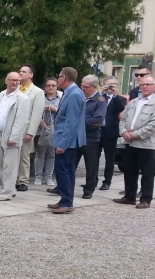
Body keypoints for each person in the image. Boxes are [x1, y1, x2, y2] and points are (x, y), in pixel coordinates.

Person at [114, 75, 155, 209]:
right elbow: (123, 118)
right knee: (129, 170)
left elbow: (154, 125)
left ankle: (146, 199)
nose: (144, 87)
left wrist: (134, 134)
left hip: (145, 143)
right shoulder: (133, 102)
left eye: (148, 84)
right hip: (129, 142)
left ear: (154, 87)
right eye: (142, 85)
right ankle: (129, 196)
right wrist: (123, 132)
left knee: (147, 173)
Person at [48, 67, 86, 214]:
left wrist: (63, 144)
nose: (58, 80)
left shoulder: (74, 94)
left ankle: (66, 202)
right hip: (67, 139)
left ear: (64, 78)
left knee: (63, 171)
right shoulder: (71, 92)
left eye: (59, 77)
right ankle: (65, 199)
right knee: (67, 170)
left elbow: (71, 122)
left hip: (68, 140)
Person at [0, 72, 31, 201]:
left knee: (10, 166)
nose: (14, 82)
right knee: (0, 164)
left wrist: (14, 137)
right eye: (12, 80)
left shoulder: (23, 99)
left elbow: (20, 121)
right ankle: (9, 189)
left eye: (17, 80)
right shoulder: (0, 95)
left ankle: (7, 193)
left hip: (11, 137)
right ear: (6, 81)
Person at [74, 75, 107, 198]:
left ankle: (89, 190)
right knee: (71, 163)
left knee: (91, 165)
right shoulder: (81, 97)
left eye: (86, 87)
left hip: (91, 138)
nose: (83, 89)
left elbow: (97, 120)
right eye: (81, 86)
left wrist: (79, 124)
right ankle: (63, 187)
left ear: (94, 87)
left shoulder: (100, 101)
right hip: (77, 136)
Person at [16, 64, 44, 191]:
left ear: (31, 75)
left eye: (24, 71)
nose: (20, 73)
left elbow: (36, 113)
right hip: (14, 127)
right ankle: (14, 179)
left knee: (24, 156)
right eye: (20, 71)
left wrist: (31, 132)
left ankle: (23, 181)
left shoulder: (37, 92)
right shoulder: (16, 89)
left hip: (26, 127)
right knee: (13, 156)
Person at [99, 77, 127, 191]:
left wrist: (115, 95)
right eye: (108, 84)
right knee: (93, 157)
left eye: (113, 84)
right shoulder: (100, 97)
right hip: (98, 130)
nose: (111, 86)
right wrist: (101, 92)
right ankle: (92, 180)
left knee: (109, 158)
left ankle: (107, 181)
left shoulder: (120, 99)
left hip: (110, 132)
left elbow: (120, 108)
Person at [34, 78, 60, 186]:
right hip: (41, 129)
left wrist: (55, 109)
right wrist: (41, 122)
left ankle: (48, 177)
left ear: (56, 87)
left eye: (53, 85)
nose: (51, 87)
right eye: (48, 85)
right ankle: (38, 177)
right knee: (40, 154)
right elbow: (35, 111)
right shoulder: (40, 97)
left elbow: (64, 112)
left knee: (51, 154)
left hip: (55, 130)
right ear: (45, 87)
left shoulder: (61, 98)